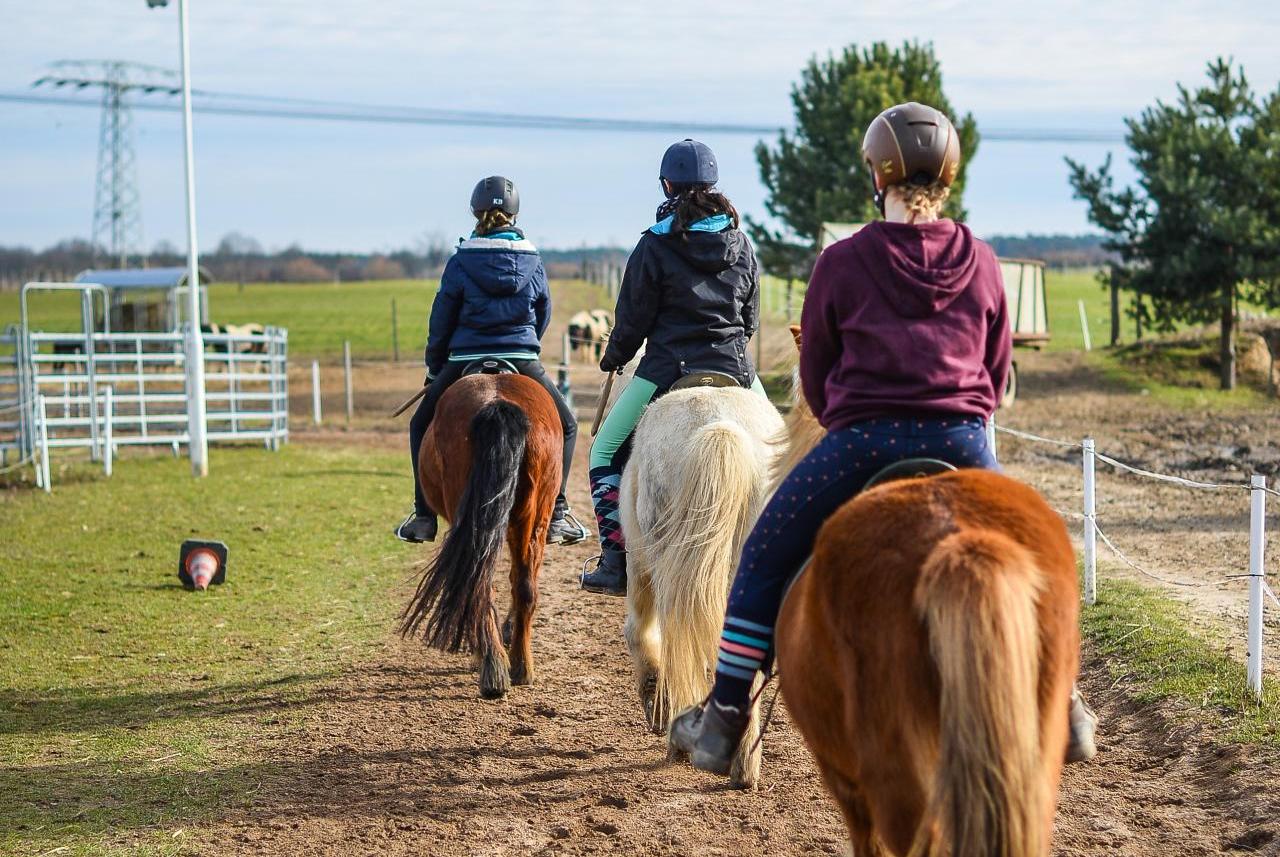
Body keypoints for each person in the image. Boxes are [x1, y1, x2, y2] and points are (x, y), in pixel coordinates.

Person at [669, 102, 1098, 774]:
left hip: (861, 444)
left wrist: (849, 406)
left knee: (761, 554)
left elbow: (815, 371)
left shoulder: (842, 262)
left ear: (878, 175)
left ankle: (724, 716)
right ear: (949, 176)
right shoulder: (982, 261)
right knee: (1042, 557)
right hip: (964, 445)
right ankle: (1066, 700)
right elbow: (994, 368)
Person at [579, 139, 766, 596]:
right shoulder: (741, 244)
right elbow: (751, 320)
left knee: (602, 452)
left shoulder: (653, 245)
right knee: (780, 453)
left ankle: (615, 562)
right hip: (735, 369)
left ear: (667, 183)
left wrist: (614, 356)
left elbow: (633, 319)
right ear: (714, 184)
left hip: (665, 369)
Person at [395, 175, 588, 546]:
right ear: (513, 214)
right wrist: (527, 344)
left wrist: (436, 367)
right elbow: (543, 312)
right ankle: (559, 511)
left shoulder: (461, 260)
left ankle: (423, 516)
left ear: (475, 212)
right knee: (566, 424)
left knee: (420, 423)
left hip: (464, 355)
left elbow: (442, 318)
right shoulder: (534, 260)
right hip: (520, 355)